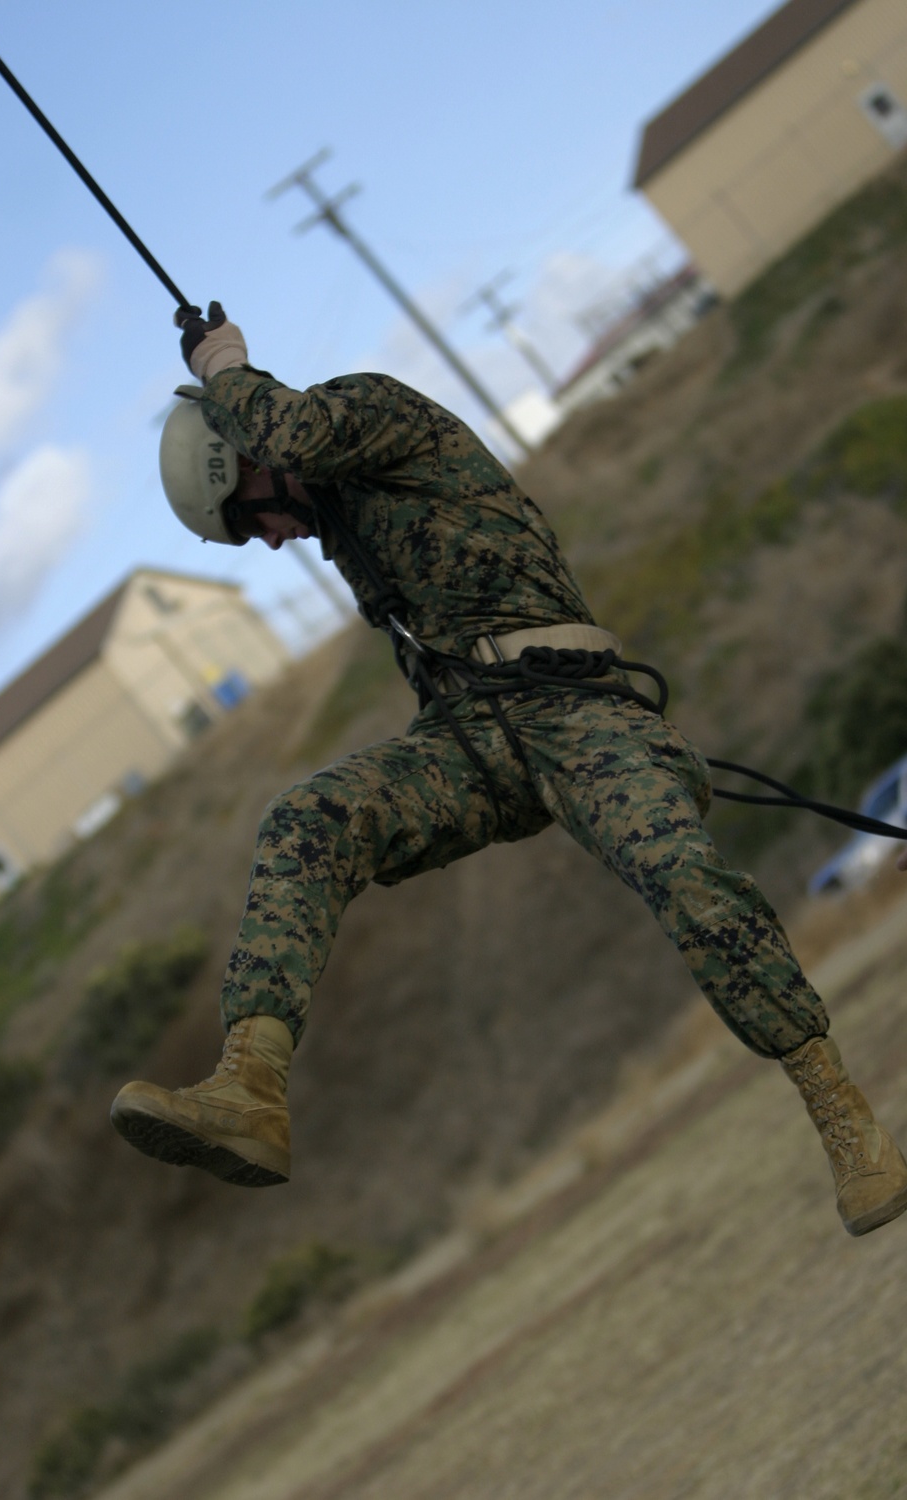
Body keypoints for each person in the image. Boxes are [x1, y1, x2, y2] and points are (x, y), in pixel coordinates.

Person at [110, 303, 907, 1238]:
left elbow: (295, 428)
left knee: (680, 877)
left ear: (247, 457)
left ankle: (847, 1124)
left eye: (253, 518)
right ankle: (249, 1085)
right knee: (309, 818)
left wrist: (225, 366)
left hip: (577, 708)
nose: (276, 540)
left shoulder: (366, 416)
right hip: (474, 735)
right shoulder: (348, 530)